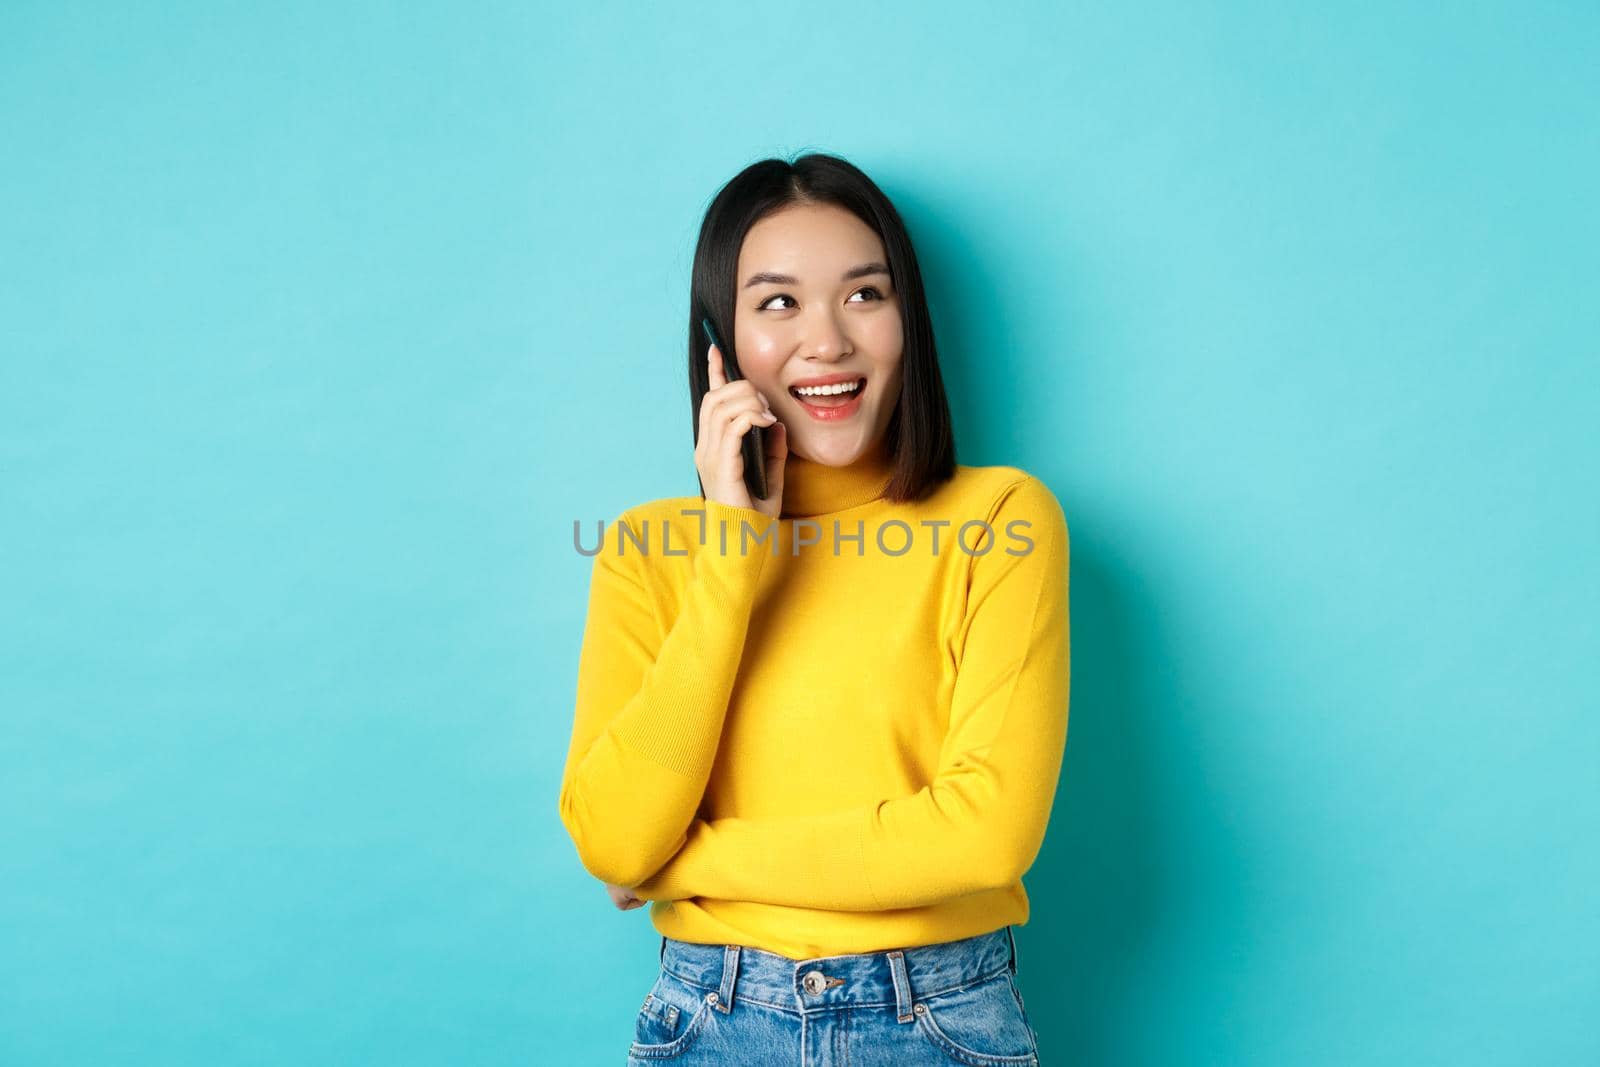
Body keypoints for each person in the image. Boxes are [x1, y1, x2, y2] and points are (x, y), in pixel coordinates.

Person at [558, 152, 1069, 1065]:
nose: (827, 341)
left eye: (865, 295)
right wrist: (731, 559)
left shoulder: (999, 520)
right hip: (708, 1018)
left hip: (937, 1019)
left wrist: (680, 862)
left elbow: (987, 836)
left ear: (908, 319)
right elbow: (612, 834)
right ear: (723, 342)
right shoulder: (648, 549)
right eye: (779, 302)